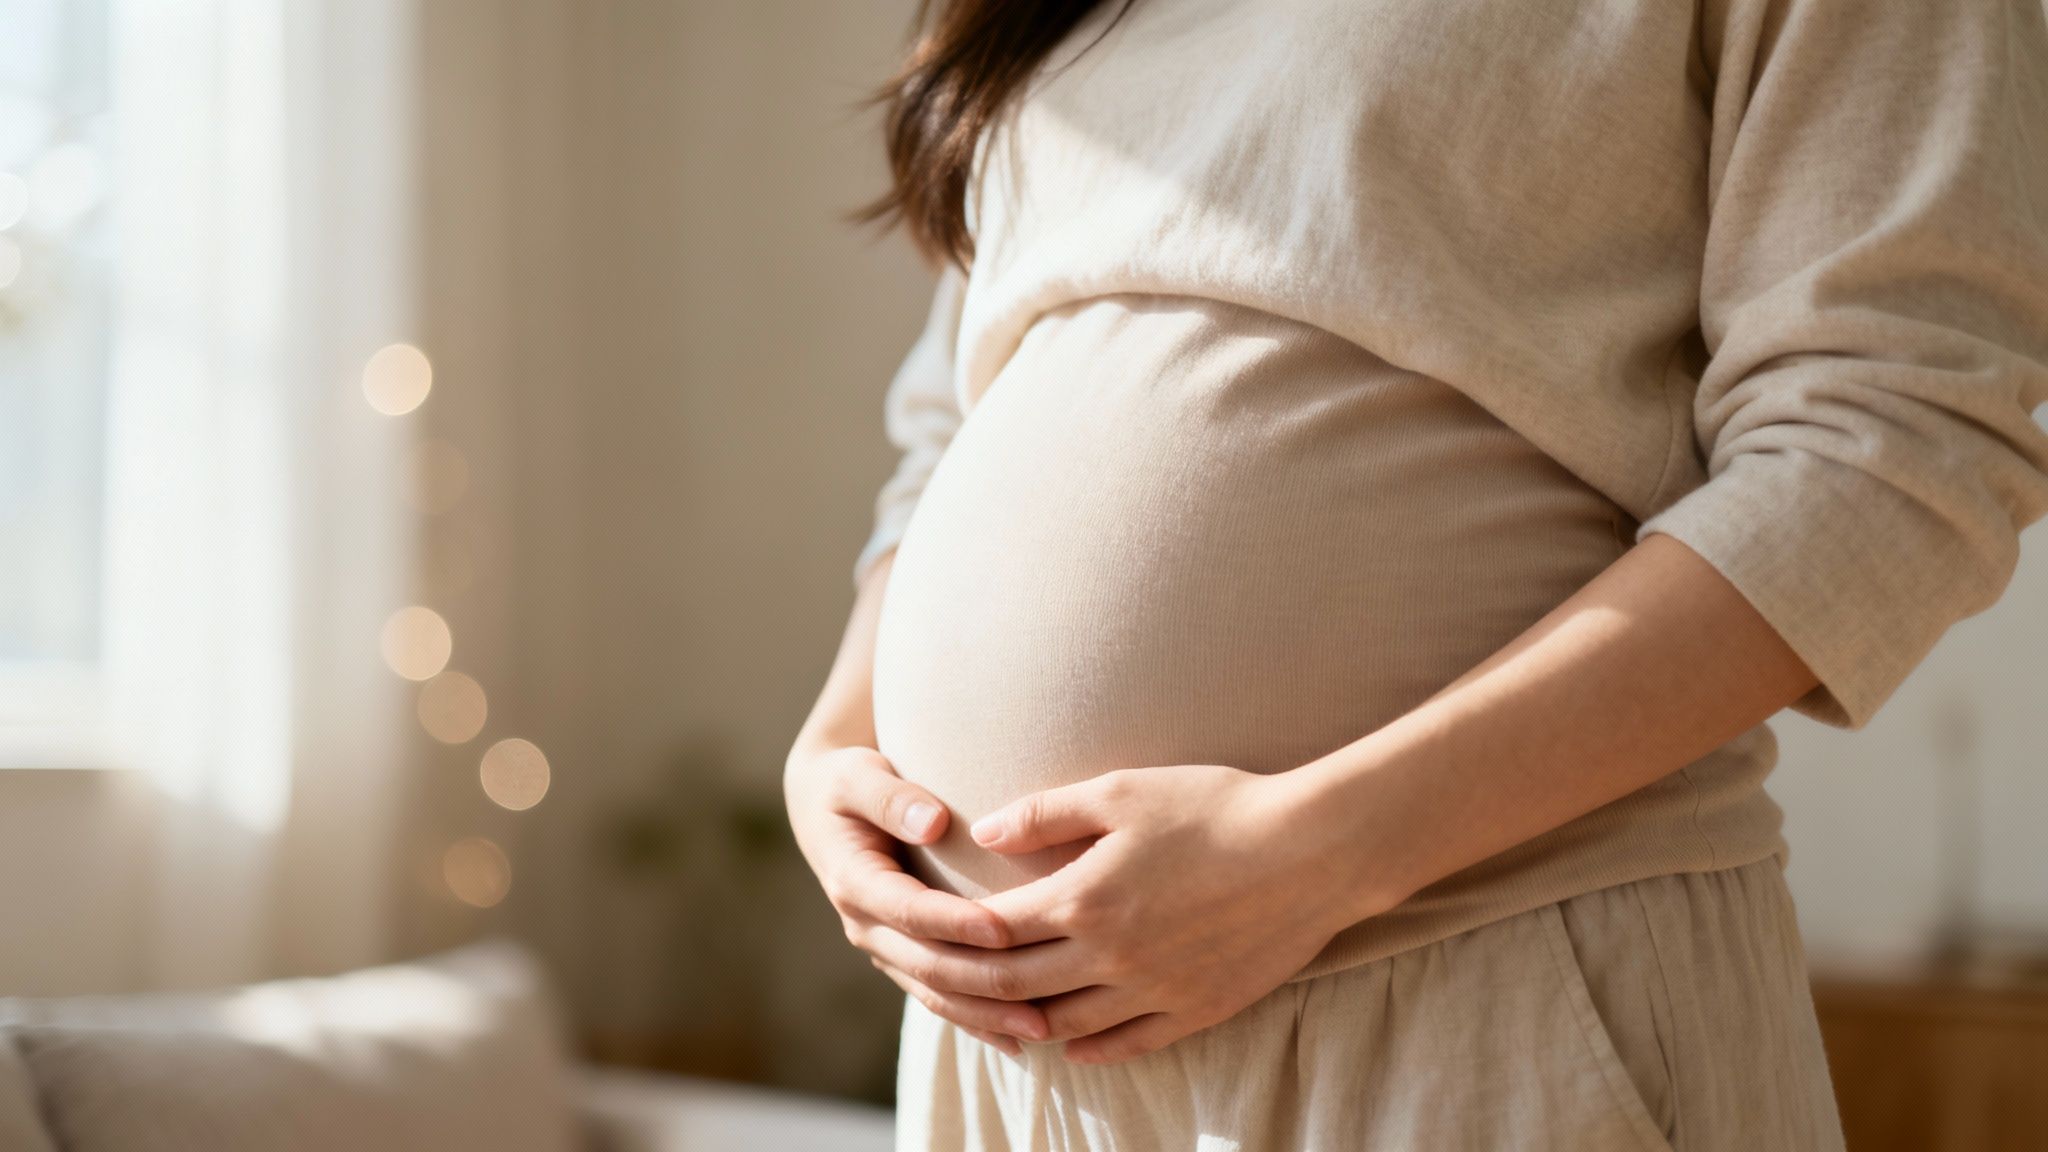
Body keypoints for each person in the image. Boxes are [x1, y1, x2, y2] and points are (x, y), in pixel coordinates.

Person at [784, 0, 2048, 1148]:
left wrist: (1318, 856)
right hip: (1010, 1071)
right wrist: (834, 746)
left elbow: (1887, 440)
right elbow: (952, 423)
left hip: (1476, 981)